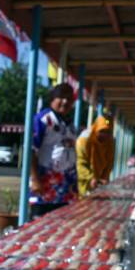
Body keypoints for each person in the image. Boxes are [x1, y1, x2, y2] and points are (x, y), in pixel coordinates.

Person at [28, 83, 77, 216]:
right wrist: (35, 179)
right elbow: (30, 150)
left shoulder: (70, 125)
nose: (65, 101)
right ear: (52, 99)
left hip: (66, 187)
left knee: (61, 228)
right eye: (61, 97)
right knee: (39, 226)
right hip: (44, 185)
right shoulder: (42, 119)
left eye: (69, 98)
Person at [76, 114, 114, 196]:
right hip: (83, 180)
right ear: (96, 129)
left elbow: (110, 162)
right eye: (102, 131)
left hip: (98, 182)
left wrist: (105, 177)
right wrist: (91, 178)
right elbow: (80, 163)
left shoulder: (109, 141)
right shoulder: (84, 140)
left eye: (108, 132)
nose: (105, 135)